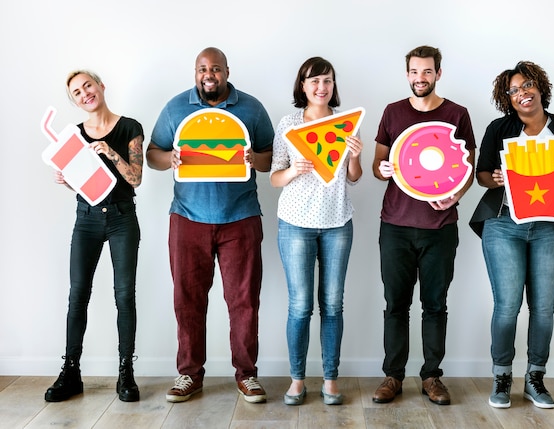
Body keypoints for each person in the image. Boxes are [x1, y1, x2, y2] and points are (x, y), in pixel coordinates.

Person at [146, 47, 274, 404]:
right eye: (203, 68)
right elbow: (152, 154)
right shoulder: (175, 108)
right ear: (195, 72)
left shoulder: (251, 108)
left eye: (215, 68)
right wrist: (168, 157)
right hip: (187, 218)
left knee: (244, 301)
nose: (209, 74)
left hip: (241, 218)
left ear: (227, 72)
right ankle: (189, 374)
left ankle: (247, 376)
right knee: (187, 300)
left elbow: (271, 159)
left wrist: (255, 158)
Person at [469, 61, 554, 409]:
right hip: (504, 223)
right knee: (507, 307)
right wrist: (497, 178)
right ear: (507, 98)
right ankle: (502, 376)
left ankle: (535, 377)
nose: (523, 93)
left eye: (528, 85)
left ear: (540, 87)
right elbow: (482, 176)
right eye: (515, 90)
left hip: (549, 226)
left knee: (544, 308)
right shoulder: (498, 128)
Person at [371, 46, 476, 405]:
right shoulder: (392, 112)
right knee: (395, 304)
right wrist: (382, 168)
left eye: (427, 72)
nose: (420, 78)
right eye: (414, 72)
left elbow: (468, 171)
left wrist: (455, 197)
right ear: (407, 74)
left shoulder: (457, 114)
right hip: (396, 225)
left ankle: (432, 376)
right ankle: (392, 376)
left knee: (435, 305)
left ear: (438, 74)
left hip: (440, 226)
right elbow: (377, 165)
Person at [45, 70, 144, 403]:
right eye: (76, 92)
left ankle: (125, 373)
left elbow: (135, 179)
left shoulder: (130, 127)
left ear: (101, 86)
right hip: (86, 219)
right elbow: (87, 184)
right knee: (78, 294)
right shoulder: (72, 136)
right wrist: (68, 180)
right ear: (74, 101)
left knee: (124, 294)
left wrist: (110, 152)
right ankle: (71, 371)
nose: (84, 93)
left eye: (88, 85)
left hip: (121, 218)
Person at [270, 57, 363, 406]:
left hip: (338, 222)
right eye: (314, 81)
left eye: (327, 81)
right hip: (295, 224)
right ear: (303, 86)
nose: (321, 87)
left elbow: (354, 177)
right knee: (300, 306)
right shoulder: (289, 124)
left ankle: (330, 379)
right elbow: (274, 177)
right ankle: (297, 380)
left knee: (333, 305)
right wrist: (294, 170)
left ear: (333, 85)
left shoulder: (346, 123)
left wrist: (354, 155)